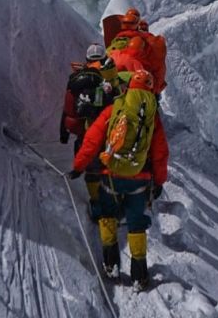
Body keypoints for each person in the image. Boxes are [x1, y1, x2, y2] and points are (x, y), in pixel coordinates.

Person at [70, 69, 169, 292]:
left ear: (129, 87)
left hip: (111, 176)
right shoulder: (152, 117)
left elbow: (91, 140)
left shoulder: (114, 109)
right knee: (136, 224)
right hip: (140, 181)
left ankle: (110, 264)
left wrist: (79, 166)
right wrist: (159, 181)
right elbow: (161, 153)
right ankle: (139, 275)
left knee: (107, 215)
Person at [60, 44, 120, 219]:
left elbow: (68, 107)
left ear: (87, 60)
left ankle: (95, 202)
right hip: (109, 132)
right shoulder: (110, 78)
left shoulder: (77, 79)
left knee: (92, 170)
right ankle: (113, 202)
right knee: (109, 169)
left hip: (87, 133)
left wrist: (64, 131)